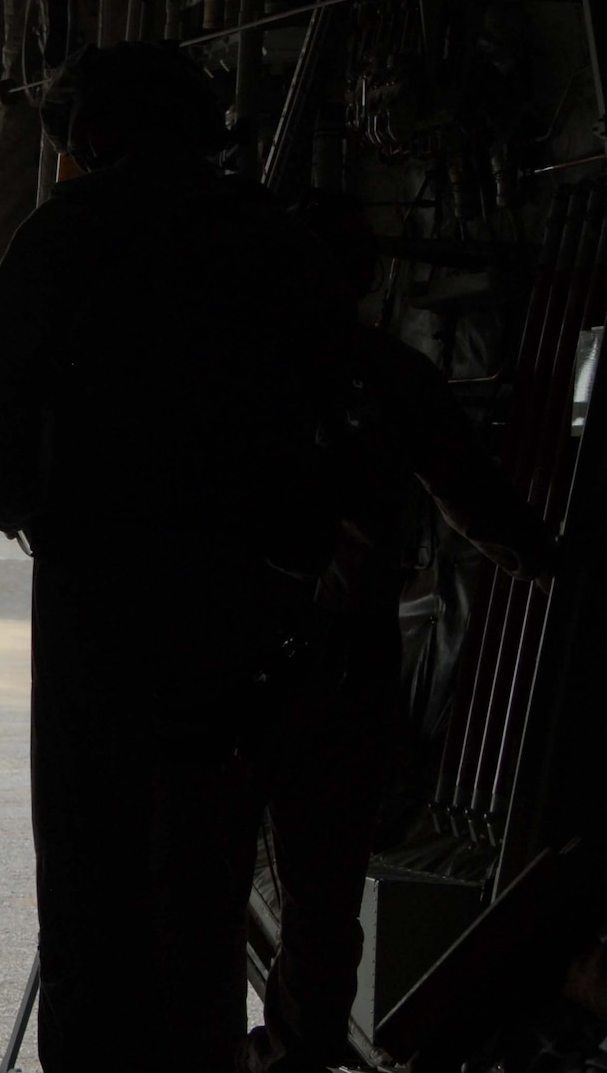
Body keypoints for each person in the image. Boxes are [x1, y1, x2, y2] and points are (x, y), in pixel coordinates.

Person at [0, 41, 345, 1072]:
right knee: (202, 893)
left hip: (96, 604)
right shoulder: (268, 239)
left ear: (96, 132)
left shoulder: (71, 230)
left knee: (89, 880)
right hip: (235, 614)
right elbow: (323, 421)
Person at [241, 193, 560, 1073]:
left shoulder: (236, 374)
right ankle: (295, 1056)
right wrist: (554, 565)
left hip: (247, 667)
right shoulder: (387, 375)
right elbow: (479, 502)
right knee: (320, 906)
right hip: (340, 670)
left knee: (212, 884)